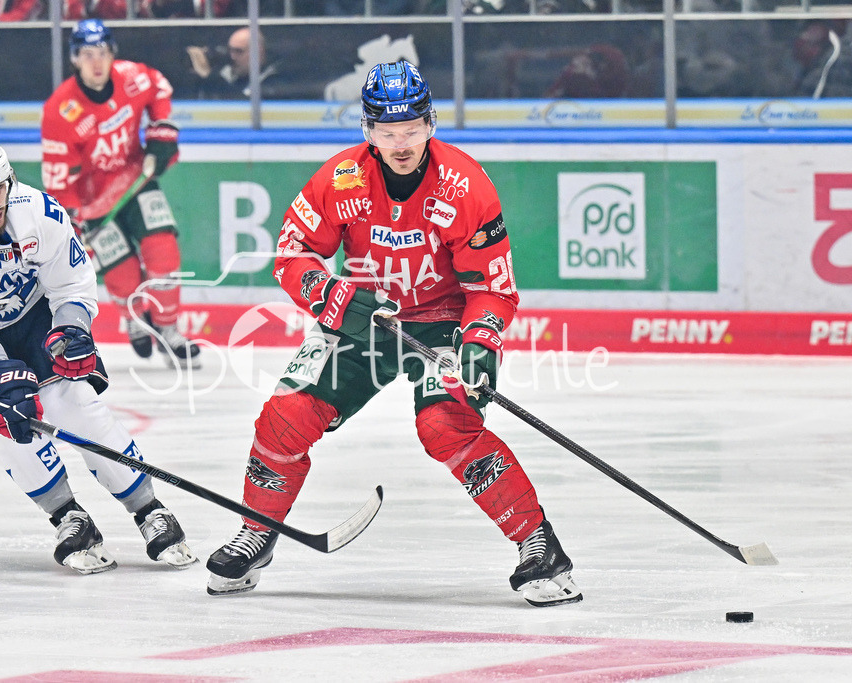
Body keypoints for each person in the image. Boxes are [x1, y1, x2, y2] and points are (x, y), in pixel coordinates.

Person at [204, 60, 583, 607]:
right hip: (365, 319)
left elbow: (493, 288)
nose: (400, 143)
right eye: (387, 131)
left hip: (441, 320)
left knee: (444, 424)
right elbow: (292, 254)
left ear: (430, 124)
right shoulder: (341, 179)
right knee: (284, 418)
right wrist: (335, 298)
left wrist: (479, 345)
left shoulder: (465, 185)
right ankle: (257, 533)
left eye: (410, 130)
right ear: (367, 131)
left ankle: (540, 547)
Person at [0, 128, 198, 574]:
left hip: (35, 318)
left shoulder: (38, 211)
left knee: (76, 402)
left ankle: (149, 510)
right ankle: (69, 516)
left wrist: (73, 329)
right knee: (0, 416)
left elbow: (71, 284)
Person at [41, 19, 200, 367]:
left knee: (163, 250)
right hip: (93, 202)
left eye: (102, 52)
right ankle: (134, 318)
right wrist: (70, 218)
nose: (96, 62)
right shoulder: (60, 109)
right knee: (122, 273)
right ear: (74, 59)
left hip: (135, 179)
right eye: (86, 54)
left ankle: (169, 331)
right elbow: (57, 177)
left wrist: (160, 134)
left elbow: (160, 88)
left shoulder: (132, 76)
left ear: (113, 53)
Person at [185, 27, 281, 100]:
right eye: (230, 51)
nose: (232, 57)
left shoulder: (275, 80)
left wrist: (210, 77)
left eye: (239, 51)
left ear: (259, 52)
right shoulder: (229, 73)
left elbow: (246, 107)